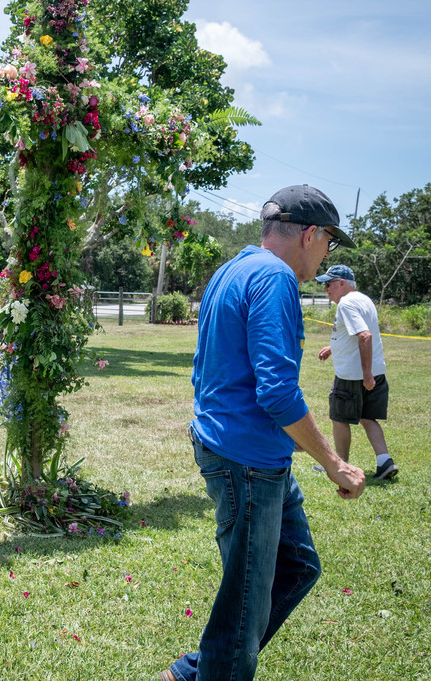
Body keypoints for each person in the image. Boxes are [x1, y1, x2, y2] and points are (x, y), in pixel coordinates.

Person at [161, 185, 366, 681]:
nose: (325, 257)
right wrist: (333, 461)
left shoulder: (233, 269)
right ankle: (213, 670)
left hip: (237, 449)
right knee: (247, 606)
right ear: (311, 234)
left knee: (296, 565)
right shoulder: (275, 279)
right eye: (328, 244)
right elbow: (277, 393)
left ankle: (194, 673)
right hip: (248, 461)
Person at [316, 264, 398, 481]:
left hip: (353, 375)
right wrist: (335, 347)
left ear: (342, 283)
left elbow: (364, 336)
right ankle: (385, 461)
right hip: (375, 370)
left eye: (328, 284)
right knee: (367, 416)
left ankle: (341, 465)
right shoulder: (364, 299)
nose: (326, 289)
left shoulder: (346, 303)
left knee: (338, 418)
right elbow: (356, 333)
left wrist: (366, 374)